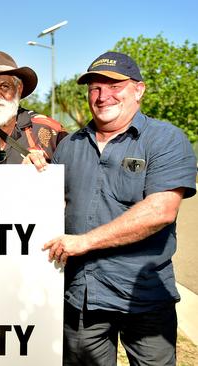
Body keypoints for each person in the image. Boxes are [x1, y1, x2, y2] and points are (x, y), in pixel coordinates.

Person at [42, 51, 197, 365]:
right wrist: (36, 175)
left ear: (138, 90)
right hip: (81, 299)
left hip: (145, 298)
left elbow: (160, 211)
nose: (103, 96)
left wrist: (84, 241)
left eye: (114, 86)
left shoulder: (165, 139)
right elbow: (49, 207)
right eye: (95, 88)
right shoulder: (69, 146)